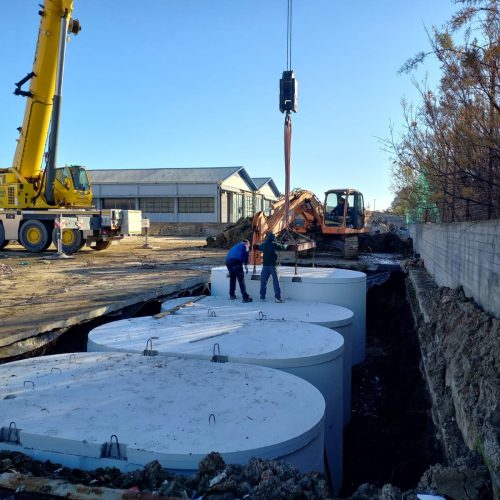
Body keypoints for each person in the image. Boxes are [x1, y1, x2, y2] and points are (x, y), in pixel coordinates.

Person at [258, 232, 287, 303]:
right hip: (273, 266)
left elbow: (259, 247)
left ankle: (262, 297)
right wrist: (286, 244)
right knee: (276, 281)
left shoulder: (264, 245)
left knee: (263, 282)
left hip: (265, 266)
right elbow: (283, 247)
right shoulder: (274, 244)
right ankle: (277, 298)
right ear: (273, 239)